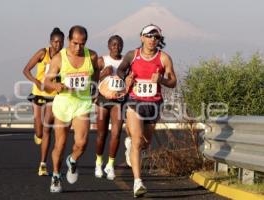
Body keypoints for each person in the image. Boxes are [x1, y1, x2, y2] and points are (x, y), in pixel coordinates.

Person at [117, 24, 177, 197]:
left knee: (145, 143)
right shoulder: (132, 55)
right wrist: (125, 77)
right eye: (149, 36)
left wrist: (162, 80)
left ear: (159, 40)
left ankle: (131, 146)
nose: (152, 40)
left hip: (154, 103)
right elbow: (121, 69)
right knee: (137, 140)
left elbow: (173, 82)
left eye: (156, 37)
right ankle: (138, 182)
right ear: (141, 37)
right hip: (134, 101)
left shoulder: (164, 58)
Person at [44, 25, 99, 193]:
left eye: (82, 44)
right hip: (63, 105)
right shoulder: (59, 58)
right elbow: (45, 83)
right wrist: (55, 85)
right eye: (75, 43)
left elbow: (96, 71)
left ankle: (73, 160)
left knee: (82, 143)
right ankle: (55, 176)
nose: (78, 47)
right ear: (69, 40)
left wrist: (94, 89)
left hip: (82, 103)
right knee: (60, 144)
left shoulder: (92, 56)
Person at [23, 27, 64, 176]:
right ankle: (38, 134)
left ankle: (43, 164)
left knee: (47, 128)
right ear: (50, 42)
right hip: (39, 93)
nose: (58, 45)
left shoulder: (64, 56)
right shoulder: (43, 53)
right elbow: (26, 70)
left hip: (53, 95)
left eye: (60, 42)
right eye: (55, 42)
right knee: (39, 130)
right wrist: (36, 81)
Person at [94, 35, 125, 180]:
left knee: (117, 133)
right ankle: (98, 163)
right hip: (102, 99)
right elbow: (91, 79)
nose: (116, 47)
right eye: (113, 45)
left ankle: (110, 164)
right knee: (102, 134)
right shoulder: (102, 60)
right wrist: (102, 74)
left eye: (119, 45)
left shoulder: (126, 61)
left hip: (118, 100)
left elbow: (131, 77)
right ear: (108, 46)